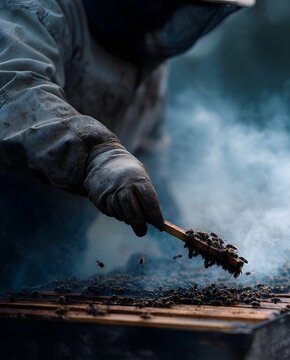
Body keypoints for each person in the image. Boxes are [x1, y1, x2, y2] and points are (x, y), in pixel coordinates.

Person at [0, 0, 253, 289]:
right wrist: (96, 154)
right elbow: (13, 93)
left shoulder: (150, 66)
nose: (165, 15)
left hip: (54, 260)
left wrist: (181, 235)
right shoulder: (39, 10)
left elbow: (147, 157)